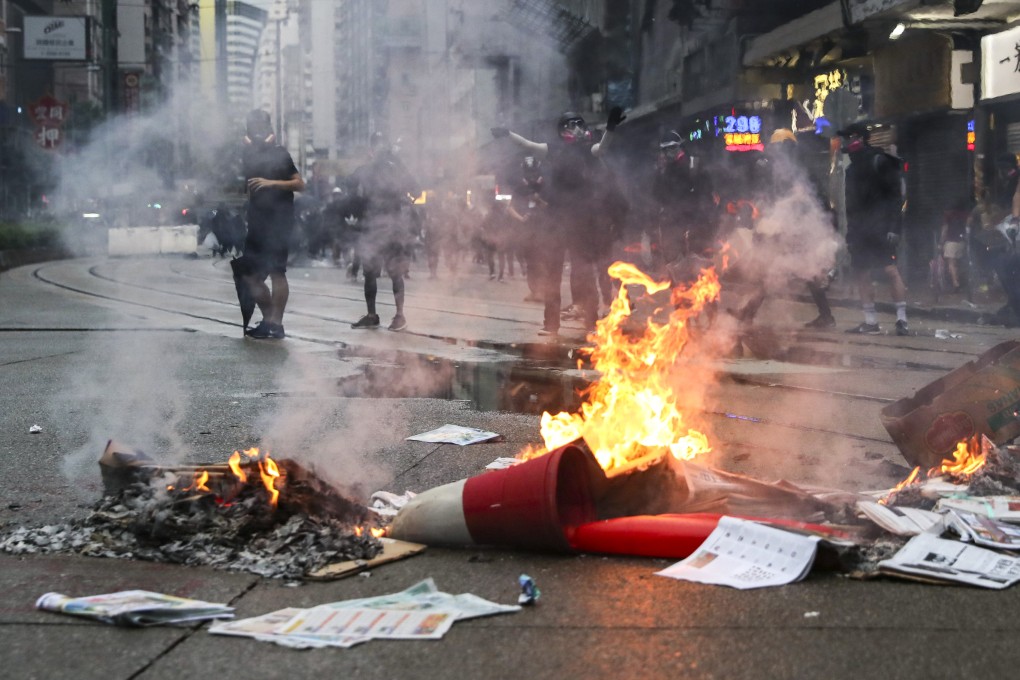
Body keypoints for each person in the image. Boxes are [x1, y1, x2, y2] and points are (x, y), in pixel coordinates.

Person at [491, 106, 625, 336]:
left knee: (584, 274)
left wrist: (611, 128)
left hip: (582, 222)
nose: (577, 129)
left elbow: (602, 147)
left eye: (579, 124)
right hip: (556, 221)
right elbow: (527, 145)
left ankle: (591, 324)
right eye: (572, 125)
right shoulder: (552, 150)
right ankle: (551, 326)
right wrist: (508, 134)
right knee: (552, 275)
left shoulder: (586, 150)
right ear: (562, 130)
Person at [239, 109, 305, 340]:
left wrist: (271, 183)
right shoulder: (248, 155)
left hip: (279, 221)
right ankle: (270, 321)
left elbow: (299, 184)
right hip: (257, 222)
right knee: (249, 275)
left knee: (277, 272)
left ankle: (275, 323)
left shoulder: (280, 154)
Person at [841, 125, 909, 336]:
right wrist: (851, 234)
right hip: (861, 230)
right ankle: (871, 322)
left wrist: (894, 227)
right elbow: (850, 206)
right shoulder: (851, 169)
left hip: (882, 228)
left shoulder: (879, 160)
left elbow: (895, 196)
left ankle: (902, 320)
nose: (845, 142)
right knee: (862, 272)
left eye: (849, 138)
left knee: (890, 270)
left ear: (861, 138)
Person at [349, 132, 420, 331]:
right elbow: (417, 191)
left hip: (378, 227)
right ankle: (392, 316)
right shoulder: (395, 167)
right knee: (384, 273)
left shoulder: (368, 169)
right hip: (387, 227)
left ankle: (390, 315)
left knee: (377, 273)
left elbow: (351, 190)